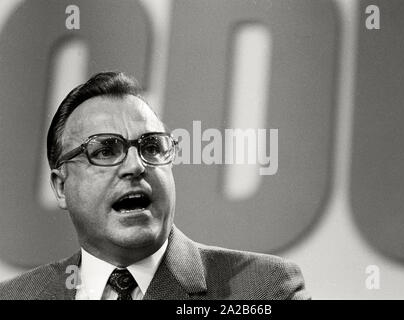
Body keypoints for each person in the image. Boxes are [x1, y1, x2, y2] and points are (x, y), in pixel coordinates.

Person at [0, 71, 310, 300]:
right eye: (106, 150)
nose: (136, 166)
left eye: (151, 147)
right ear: (60, 186)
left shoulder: (264, 288)